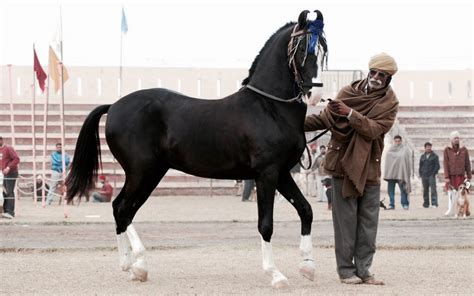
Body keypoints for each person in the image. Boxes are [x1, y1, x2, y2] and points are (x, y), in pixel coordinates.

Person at [304, 53, 399, 285]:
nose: (376, 77)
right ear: (369, 72)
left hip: (370, 169)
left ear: (388, 79)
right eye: (374, 72)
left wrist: (349, 113)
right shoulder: (347, 93)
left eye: (382, 75)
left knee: (368, 225)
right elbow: (325, 120)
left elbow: (375, 129)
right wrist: (290, 119)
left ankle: (364, 271)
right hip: (342, 166)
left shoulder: (389, 103)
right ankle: (346, 271)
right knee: (345, 223)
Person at [443, 131, 471, 216]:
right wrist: (446, 176)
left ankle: (464, 211)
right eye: (455, 138)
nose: (456, 140)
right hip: (451, 175)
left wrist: (469, 175)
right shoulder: (447, 150)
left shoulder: (464, 149)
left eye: (458, 138)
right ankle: (450, 209)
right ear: (451, 140)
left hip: (461, 175)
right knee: (451, 193)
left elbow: (467, 163)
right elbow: (445, 163)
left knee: (463, 193)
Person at [383, 135, 412, 210]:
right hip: (391, 174)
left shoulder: (405, 150)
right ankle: (391, 204)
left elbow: (406, 162)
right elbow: (387, 163)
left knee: (403, 189)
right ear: (394, 141)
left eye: (399, 141)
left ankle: (405, 203)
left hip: (401, 173)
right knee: (390, 190)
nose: (397, 142)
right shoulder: (390, 150)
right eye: (396, 141)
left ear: (401, 141)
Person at [0, 136, 20, 219]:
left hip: (11, 173)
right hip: (3, 174)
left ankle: (10, 212)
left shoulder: (8, 148)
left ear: (1, 140)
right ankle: (5, 211)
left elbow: (16, 159)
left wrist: (8, 167)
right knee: (4, 192)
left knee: (9, 191)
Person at [419, 142, 440, 208]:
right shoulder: (422, 156)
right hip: (424, 175)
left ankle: (434, 203)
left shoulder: (435, 156)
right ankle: (426, 204)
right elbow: (420, 165)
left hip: (431, 175)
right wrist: (421, 173)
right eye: (427, 147)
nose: (428, 148)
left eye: (429, 147)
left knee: (433, 190)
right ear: (425, 148)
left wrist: (433, 173)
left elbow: (437, 166)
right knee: (425, 190)